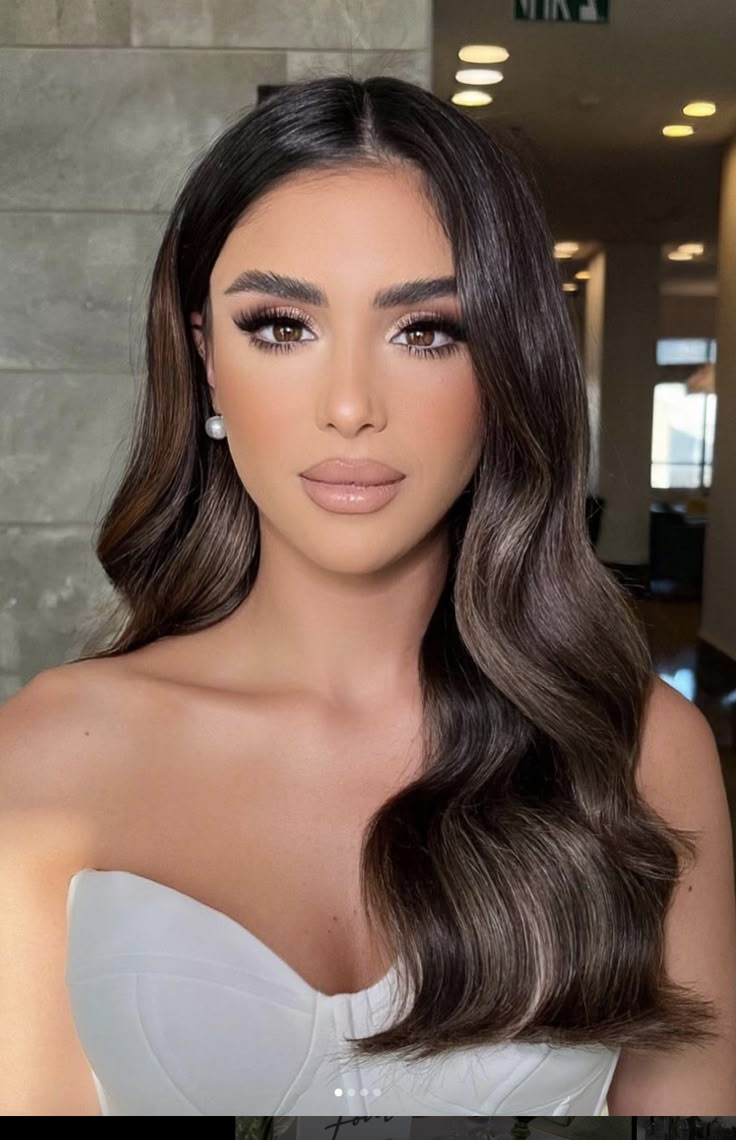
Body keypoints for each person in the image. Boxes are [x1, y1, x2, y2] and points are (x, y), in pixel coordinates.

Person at [0, 74, 735, 1117]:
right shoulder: (43, 757)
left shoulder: (638, 749)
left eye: (427, 330)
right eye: (281, 326)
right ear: (205, 359)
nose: (350, 407)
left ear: (506, 367)